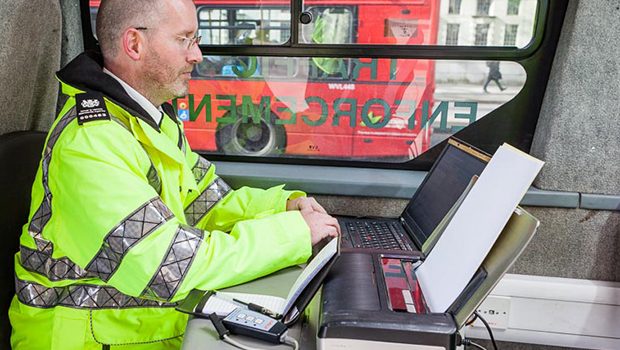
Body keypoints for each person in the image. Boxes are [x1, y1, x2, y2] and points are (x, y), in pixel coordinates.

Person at [8, 0, 340, 349]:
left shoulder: (152, 122)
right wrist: (293, 235)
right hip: (86, 340)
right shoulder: (90, 143)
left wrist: (284, 207)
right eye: (184, 39)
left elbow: (209, 205)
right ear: (134, 44)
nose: (196, 55)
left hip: (142, 329)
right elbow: (170, 266)